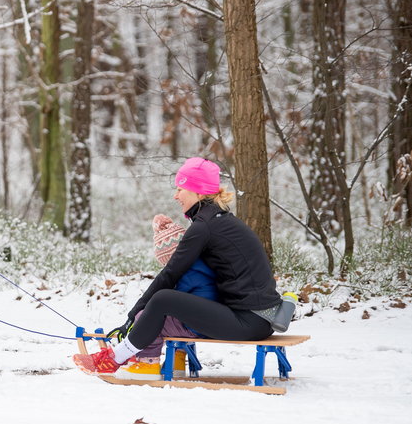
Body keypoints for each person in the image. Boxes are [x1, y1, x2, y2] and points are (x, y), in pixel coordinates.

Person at [74, 157, 282, 376]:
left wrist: (134, 313)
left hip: (249, 321)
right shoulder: (221, 221)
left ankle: (114, 359)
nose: (176, 196)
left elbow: (170, 274)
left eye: (181, 189)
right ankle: (130, 354)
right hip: (263, 318)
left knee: (163, 298)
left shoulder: (205, 227)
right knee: (164, 299)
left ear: (199, 192)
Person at [115, 214, 218, 380]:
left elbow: (176, 303)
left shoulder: (187, 274)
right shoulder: (202, 266)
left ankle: (147, 365)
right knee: (174, 317)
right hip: (210, 321)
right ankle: (177, 362)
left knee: (149, 319)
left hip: (196, 327)